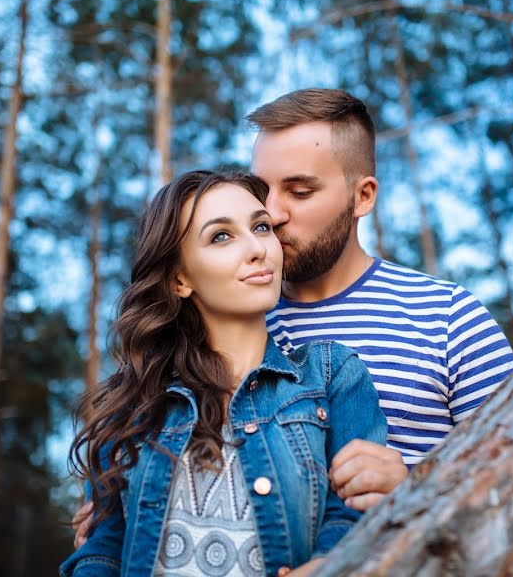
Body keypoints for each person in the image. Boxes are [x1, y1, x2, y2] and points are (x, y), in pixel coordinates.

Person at [73, 88, 513, 545]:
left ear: (362, 196)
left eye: (300, 191)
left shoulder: (448, 317)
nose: (273, 213)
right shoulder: (221, 315)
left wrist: (417, 493)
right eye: (262, 192)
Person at [60, 170, 387, 577]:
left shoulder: (332, 375)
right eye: (221, 236)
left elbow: (355, 514)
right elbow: (99, 553)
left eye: (261, 227)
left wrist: (325, 565)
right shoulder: (132, 408)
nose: (257, 249)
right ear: (180, 279)